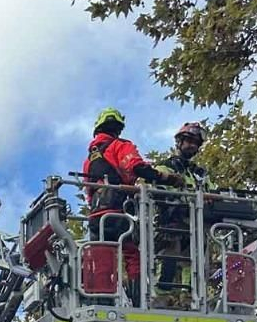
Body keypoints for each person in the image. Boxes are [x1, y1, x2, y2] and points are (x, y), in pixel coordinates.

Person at [83, 108, 183, 298]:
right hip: (118, 211)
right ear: (118, 129)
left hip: (96, 216)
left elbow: (89, 192)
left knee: (102, 258)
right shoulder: (120, 146)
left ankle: (102, 299)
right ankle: (137, 300)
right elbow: (136, 167)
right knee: (132, 255)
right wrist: (168, 178)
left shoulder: (89, 160)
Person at [153, 121, 213, 298]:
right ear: (179, 142)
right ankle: (160, 298)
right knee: (168, 265)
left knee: (195, 266)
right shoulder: (165, 168)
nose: (192, 146)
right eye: (188, 141)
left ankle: (189, 298)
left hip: (196, 226)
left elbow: (213, 192)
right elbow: (158, 191)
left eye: (195, 143)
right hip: (171, 224)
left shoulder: (200, 174)